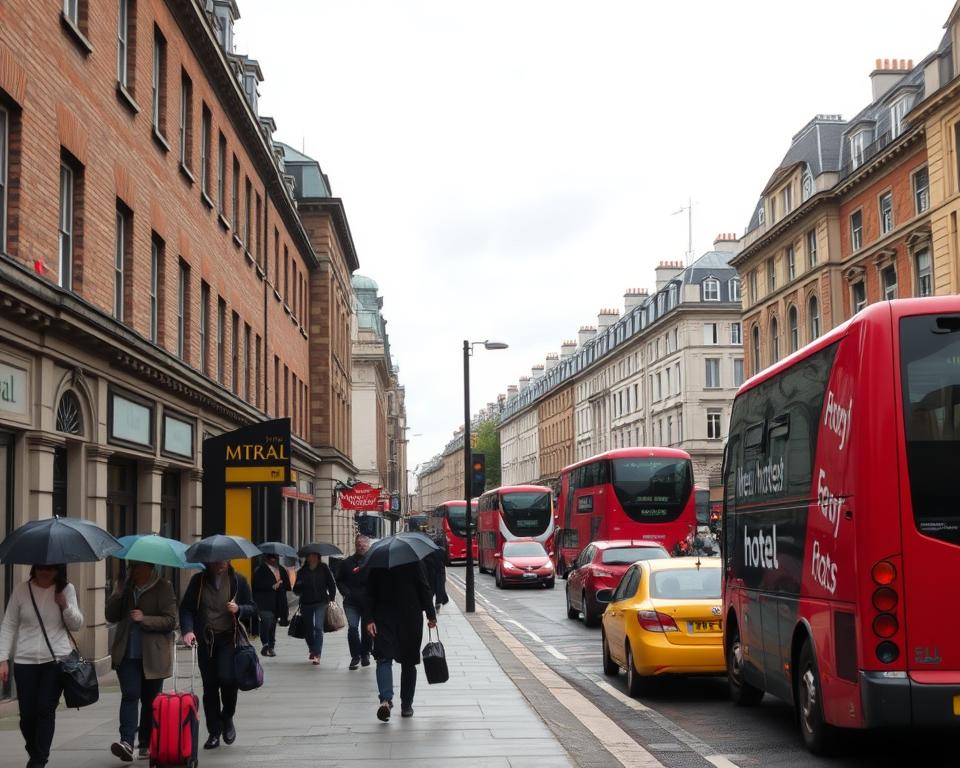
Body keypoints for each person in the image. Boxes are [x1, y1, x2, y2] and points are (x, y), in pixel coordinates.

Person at [0, 563, 83, 768]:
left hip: (56, 661)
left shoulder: (66, 589)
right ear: (34, 569)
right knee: (27, 715)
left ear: (58, 570)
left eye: (50, 568)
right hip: (24, 661)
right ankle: (35, 751)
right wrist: (2, 658)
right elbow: (9, 624)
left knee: (45, 709)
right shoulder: (21, 590)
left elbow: (77, 624)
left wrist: (65, 606)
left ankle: (38, 761)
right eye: (40, 568)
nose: (45, 572)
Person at [105, 561, 178, 762]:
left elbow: (171, 620)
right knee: (130, 695)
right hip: (127, 652)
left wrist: (144, 619)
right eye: (131, 567)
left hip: (153, 654)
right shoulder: (126, 588)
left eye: (137, 567)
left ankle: (145, 742)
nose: (133, 571)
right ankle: (126, 742)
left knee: (149, 701)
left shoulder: (164, 587)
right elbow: (110, 615)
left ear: (149, 567)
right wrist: (118, 593)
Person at [180, 560, 255, 750]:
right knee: (210, 686)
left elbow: (253, 607)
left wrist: (239, 609)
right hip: (206, 641)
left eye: (224, 559)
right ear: (208, 562)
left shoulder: (238, 581)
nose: (220, 563)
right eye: (216, 560)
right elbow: (186, 608)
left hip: (229, 640)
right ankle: (214, 732)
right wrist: (188, 630)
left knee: (228, 679)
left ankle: (228, 715)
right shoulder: (198, 581)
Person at [364, 561, 437, 721]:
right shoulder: (413, 561)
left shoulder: (380, 563)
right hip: (405, 617)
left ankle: (394, 701)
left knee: (393, 659)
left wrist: (369, 618)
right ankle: (398, 703)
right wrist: (431, 615)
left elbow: (369, 593)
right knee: (399, 660)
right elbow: (424, 588)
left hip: (391, 618)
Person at [293, 553, 336, 665]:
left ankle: (317, 654)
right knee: (308, 629)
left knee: (318, 627)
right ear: (306, 558)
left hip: (321, 602)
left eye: (313, 556)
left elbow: (331, 583)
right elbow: (296, 590)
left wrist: (332, 597)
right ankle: (312, 648)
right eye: (309, 556)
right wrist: (299, 584)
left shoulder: (324, 568)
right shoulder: (302, 571)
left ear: (318, 557)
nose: (311, 558)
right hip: (306, 603)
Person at [335, 536, 371, 670]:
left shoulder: (371, 563)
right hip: (351, 602)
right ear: (355, 545)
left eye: (364, 545)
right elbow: (339, 580)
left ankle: (366, 653)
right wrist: (345, 592)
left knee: (367, 629)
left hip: (367, 602)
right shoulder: (347, 563)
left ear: (368, 546)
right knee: (353, 628)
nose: (361, 547)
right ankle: (355, 656)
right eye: (359, 544)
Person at [252, 554, 290, 657]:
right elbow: (256, 585)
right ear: (266, 559)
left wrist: (281, 584)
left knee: (272, 624)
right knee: (267, 622)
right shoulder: (260, 570)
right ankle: (265, 644)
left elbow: (287, 585)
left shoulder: (281, 569)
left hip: (278, 602)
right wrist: (272, 586)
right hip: (264, 602)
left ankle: (271, 646)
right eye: (271, 559)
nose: (273, 561)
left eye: (275, 559)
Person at [424, 531, 449, 612]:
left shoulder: (429, 551)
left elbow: (426, 562)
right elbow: (447, 562)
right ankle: (438, 602)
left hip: (431, 572)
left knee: (432, 588)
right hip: (441, 572)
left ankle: (429, 603)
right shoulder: (443, 551)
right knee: (440, 587)